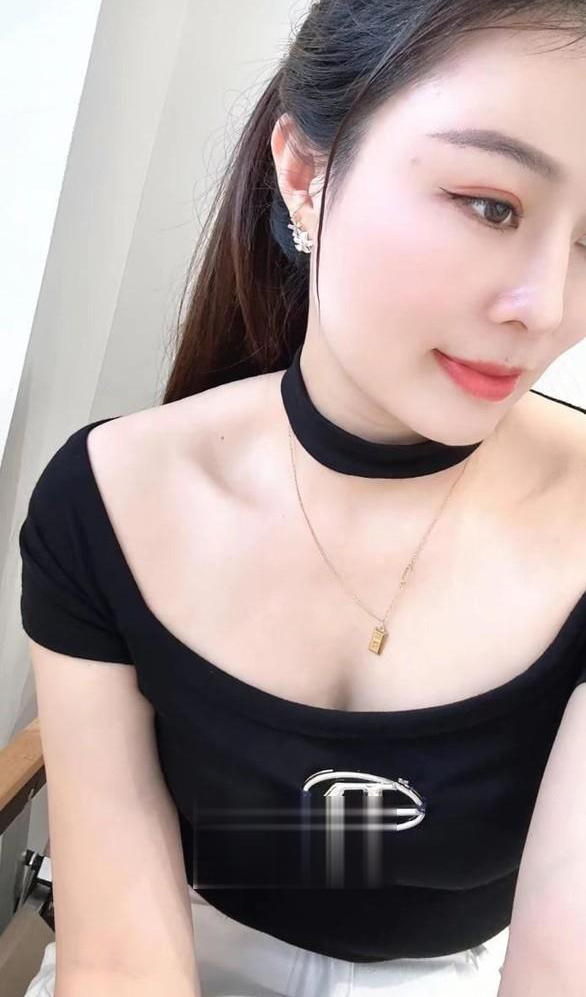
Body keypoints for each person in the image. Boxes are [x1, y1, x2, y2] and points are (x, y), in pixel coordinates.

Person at [18, 1, 586, 995]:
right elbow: (119, 958)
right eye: (490, 205)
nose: (547, 307)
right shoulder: (110, 500)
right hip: (185, 938)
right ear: (304, 174)